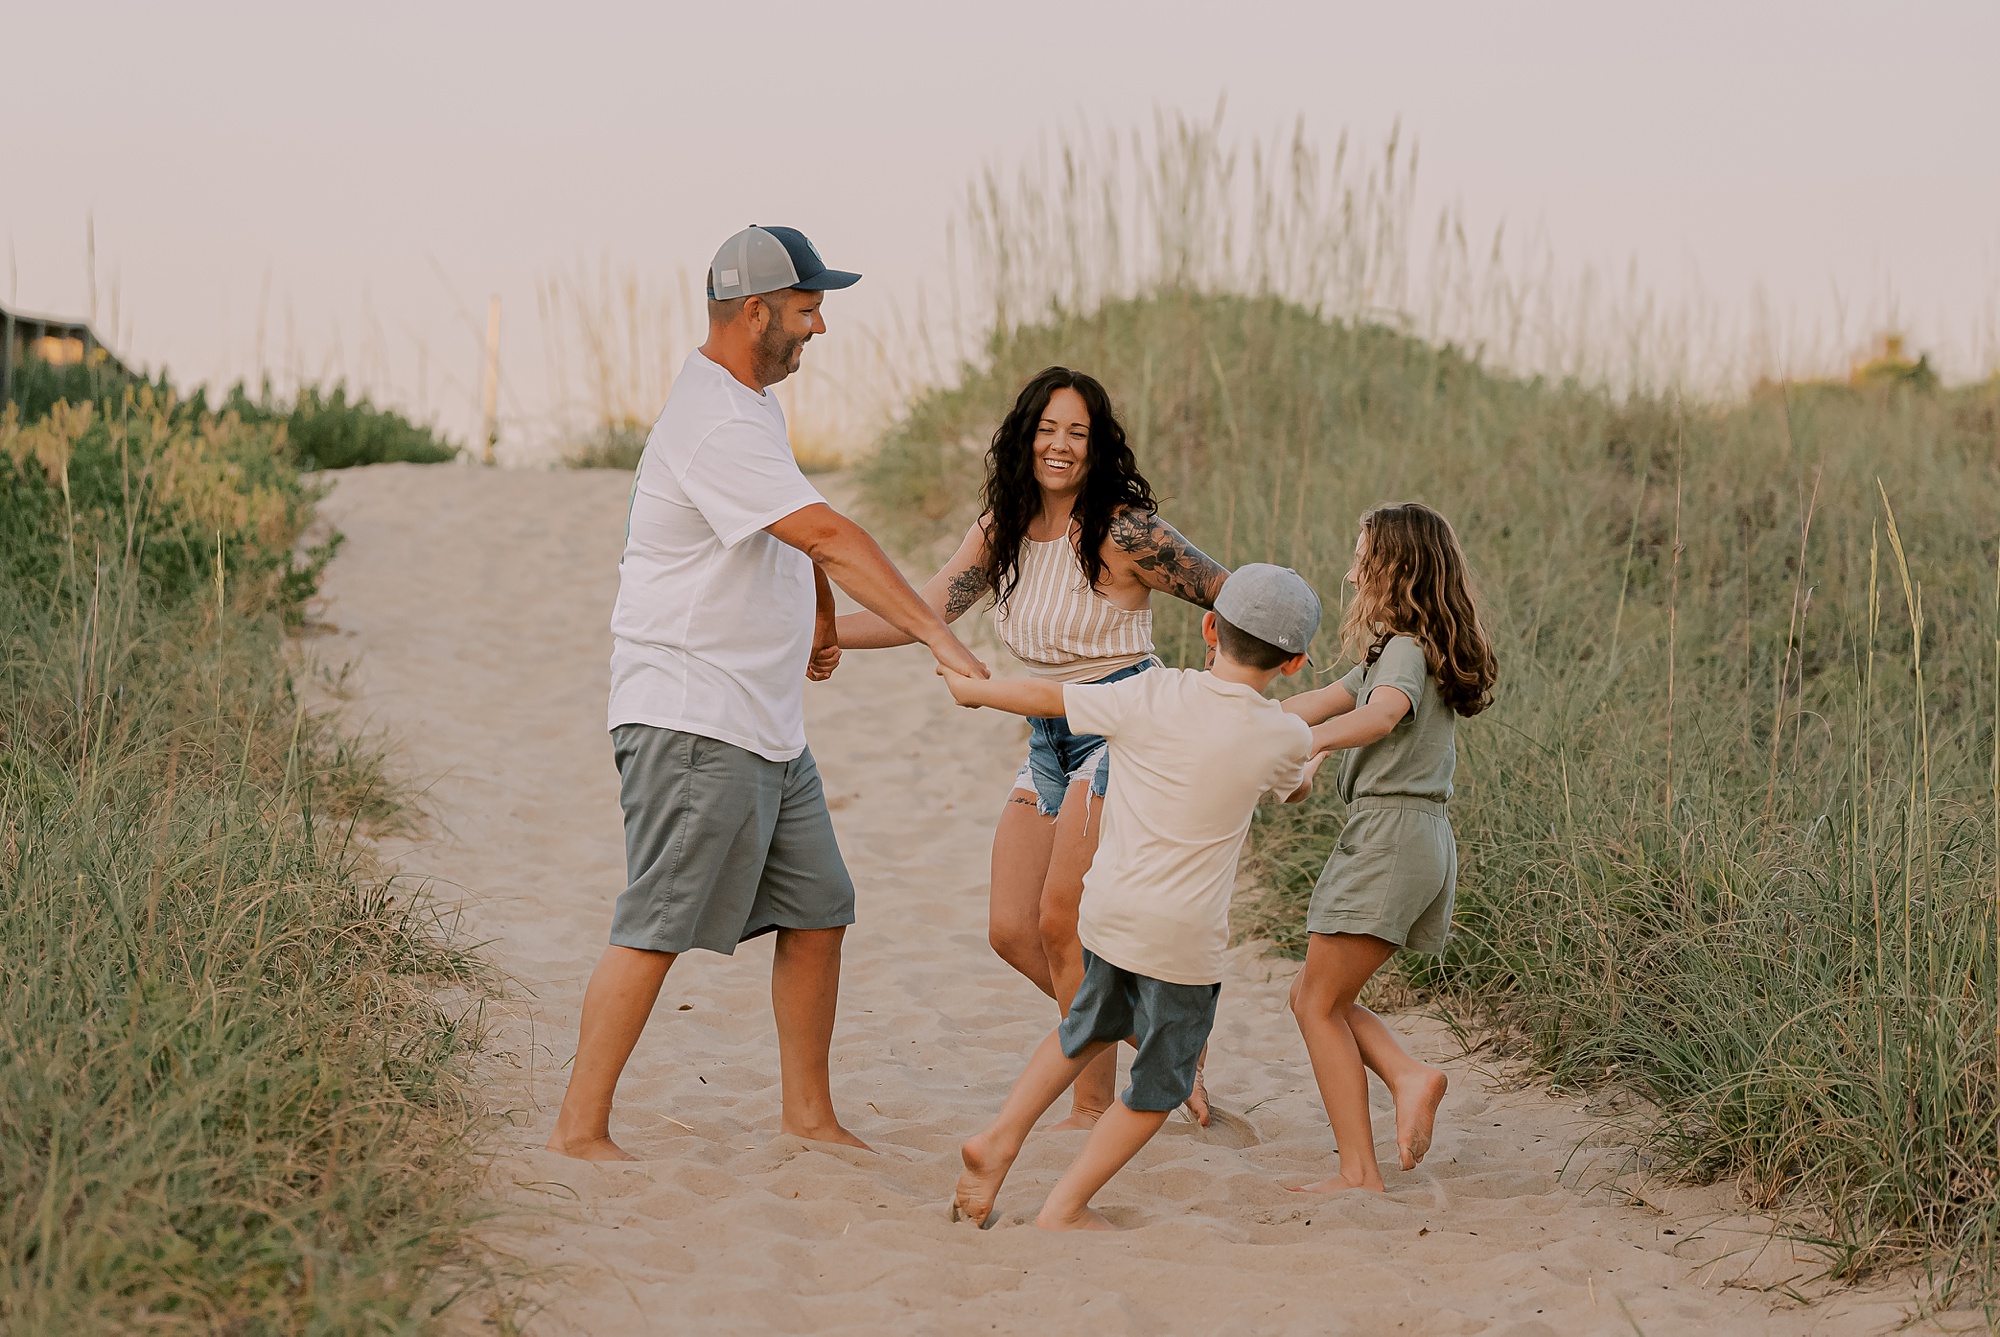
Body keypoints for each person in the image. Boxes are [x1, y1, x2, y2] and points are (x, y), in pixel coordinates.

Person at [544, 225, 989, 1162]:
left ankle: (809, 1118)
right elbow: (827, 528)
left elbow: (789, 525)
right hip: (694, 714)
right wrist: (937, 635)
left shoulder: (748, 406)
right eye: (807, 308)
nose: (819, 327)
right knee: (657, 920)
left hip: (764, 720)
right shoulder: (714, 418)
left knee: (820, 906)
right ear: (755, 313)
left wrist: (819, 613)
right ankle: (579, 1131)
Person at [834, 366, 1228, 1128]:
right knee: (1013, 929)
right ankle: (1157, 1032)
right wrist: (826, 636)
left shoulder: (1125, 530)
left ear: (1097, 445)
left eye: (1077, 432)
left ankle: (1089, 1112)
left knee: (1062, 919)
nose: (1060, 445)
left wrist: (1221, 684)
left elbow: (1232, 594)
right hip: (1049, 739)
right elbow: (924, 612)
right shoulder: (1002, 525)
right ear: (1025, 436)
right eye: (1048, 428)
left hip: (1122, 729)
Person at [942, 564, 1324, 1230]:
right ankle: (1064, 1205)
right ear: (1293, 665)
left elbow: (1050, 696)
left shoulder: (1152, 691)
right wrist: (1311, 764)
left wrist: (976, 692)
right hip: (1181, 941)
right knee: (1159, 1085)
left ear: (1210, 627)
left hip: (1109, 916)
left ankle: (999, 1136)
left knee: (1079, 1030)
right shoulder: (1282, 736)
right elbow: (1294, 785)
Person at [1279, 503, 1498, 1193]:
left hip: (1389, 837)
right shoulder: (1399, 651)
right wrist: (1237, 719)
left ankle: (1359, 1172)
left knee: (1316, 1003)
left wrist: (1313, 745)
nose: (1349, 572)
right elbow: (1320, 700)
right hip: (1415, 836)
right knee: (1316, 995)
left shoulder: (1404, 653)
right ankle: (1408, 1074)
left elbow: (1376, 716)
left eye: (1360, 557)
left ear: (1394, 568)